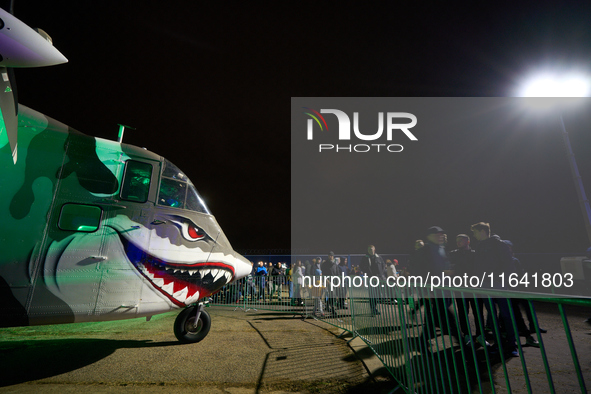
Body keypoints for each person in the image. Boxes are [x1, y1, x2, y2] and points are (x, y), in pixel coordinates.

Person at [471, 222, 519, 357]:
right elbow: (478, 266)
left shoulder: (499, 244)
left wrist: (503, 280)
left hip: (498, 285)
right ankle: (498, 344)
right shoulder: (480, 246)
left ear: (482, 231)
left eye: (474, 232)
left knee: (506, 314)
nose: (473, 235)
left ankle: (512, 345)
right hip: (485, 285)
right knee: (492, 315)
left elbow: (509, 265)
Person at [410, 226, 461, 345]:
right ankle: (463, 344)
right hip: (433, 290)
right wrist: (425, 291)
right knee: (449, 318)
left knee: (434, 317)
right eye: (437, 234)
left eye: (442, 234)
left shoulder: (441, 249)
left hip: (443, 289)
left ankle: (422, 341)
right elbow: (418, 272)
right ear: (429, 236)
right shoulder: (424, 251)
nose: (441, 236)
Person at [449, 234, 488, 347]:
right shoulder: (453, 254)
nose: (458, 242)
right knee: (462, 312)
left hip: (474, 288)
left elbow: (480, 270)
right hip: (460, 288)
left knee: (478, 312)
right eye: (457, 240)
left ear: (468, 241)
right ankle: (467, 335)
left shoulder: (475, 254)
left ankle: (480, 335)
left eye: (461, 240)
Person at [359, 245, 386, 315]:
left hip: (378, 279)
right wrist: (367, 274)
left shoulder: (379, 257)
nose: (370, 251)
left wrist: (381, 274)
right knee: (372, 295)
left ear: (374, 249)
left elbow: (383, 266)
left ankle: (375, 308)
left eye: (371, 249)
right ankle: (373, 310)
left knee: (377, 295)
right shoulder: (365, 258)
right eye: (369, 249)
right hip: (370, 279)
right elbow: (361, 267)